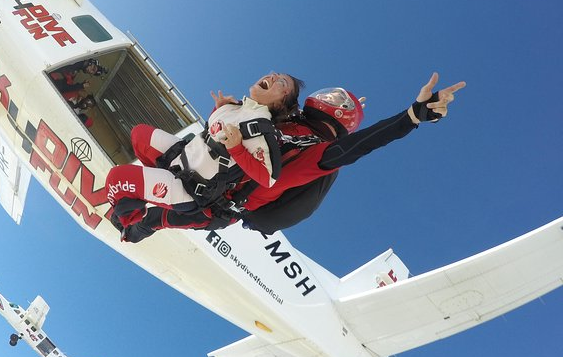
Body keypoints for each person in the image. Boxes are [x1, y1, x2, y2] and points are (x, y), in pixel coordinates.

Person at [116, 72, 466, 241]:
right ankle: (151, 191)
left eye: (339, 100)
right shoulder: (286, 121)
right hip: (198, 172)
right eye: (333, 94)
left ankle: (135, 226)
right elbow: (239, 127)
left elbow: (361, 145)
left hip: (214, 203)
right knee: (141, 138)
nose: (329, 97)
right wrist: (222, 111)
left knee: (152, 220)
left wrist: (413, 116)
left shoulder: (319, 151)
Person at [104, 72, 304, 234]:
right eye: (273, 73)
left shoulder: (261, 128)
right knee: (139, 134)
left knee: (116, 179)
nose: (271, 77)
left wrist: (237, 148)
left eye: (281, 81)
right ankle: (151, 188)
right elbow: (212, 133)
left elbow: (268, 178)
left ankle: (129, 218)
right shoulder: (235, 108)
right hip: (182, 158)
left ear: (281, 101)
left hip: (190, 188)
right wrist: (218, 109)